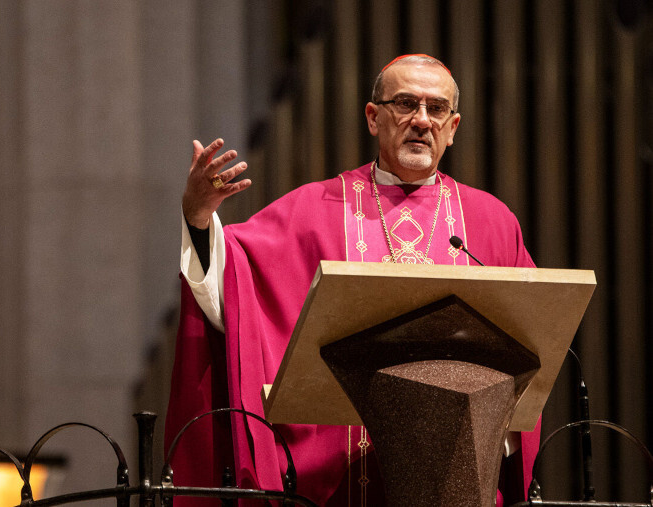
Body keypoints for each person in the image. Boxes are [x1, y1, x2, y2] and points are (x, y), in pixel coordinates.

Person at [165, 54, 540, 506]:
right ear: (373, 117)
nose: (421, 121)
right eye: (405, 103)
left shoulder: (491, 223)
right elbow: (234, 281)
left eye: (436, 109)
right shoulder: (313, 209)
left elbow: (531, 340)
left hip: (455, 475)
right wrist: (199, 217)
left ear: (454, 126)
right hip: (340, 481)